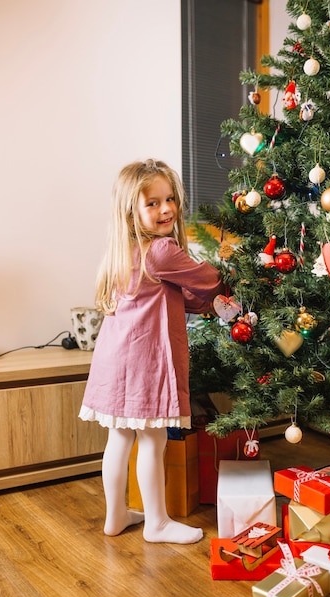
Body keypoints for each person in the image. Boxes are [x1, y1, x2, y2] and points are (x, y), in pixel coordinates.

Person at [79, 159, 223, 544]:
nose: (166, 210)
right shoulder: (161, 251)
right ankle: (156, 523)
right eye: (153, 203)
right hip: (144, 363)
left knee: (120, 439)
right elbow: (208, 281)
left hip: (114, 363)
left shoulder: (121, 250)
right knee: (154, 441)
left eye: (170, 199)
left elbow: (171, 296)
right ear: (132, 210)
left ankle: (115, 516)